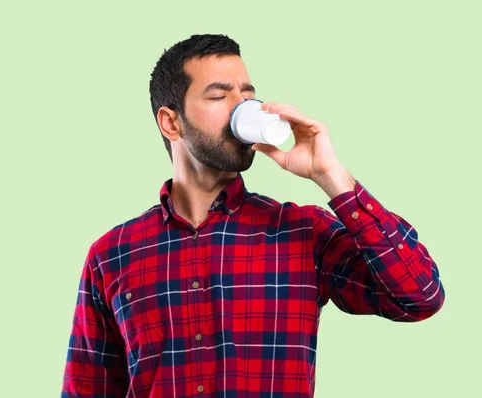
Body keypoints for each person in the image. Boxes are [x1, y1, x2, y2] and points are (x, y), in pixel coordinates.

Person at [61, 34, 445, 398]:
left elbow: (419, 296)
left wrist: (333, 178)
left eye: (247, 95)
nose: (244, 109)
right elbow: (87, 389)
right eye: (218, 96)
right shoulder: (111, 255)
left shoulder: (302, 232)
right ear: (171, 122)